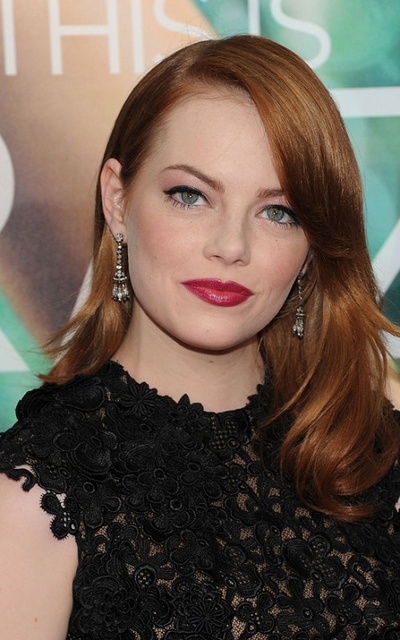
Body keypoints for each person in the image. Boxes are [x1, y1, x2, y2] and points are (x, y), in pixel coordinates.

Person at [0, 34, 400, 639]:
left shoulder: (369, 459)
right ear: (117, 200)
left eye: (278, 212)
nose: (231, 246)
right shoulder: (34, 500)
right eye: (190, 196)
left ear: (311, 245)